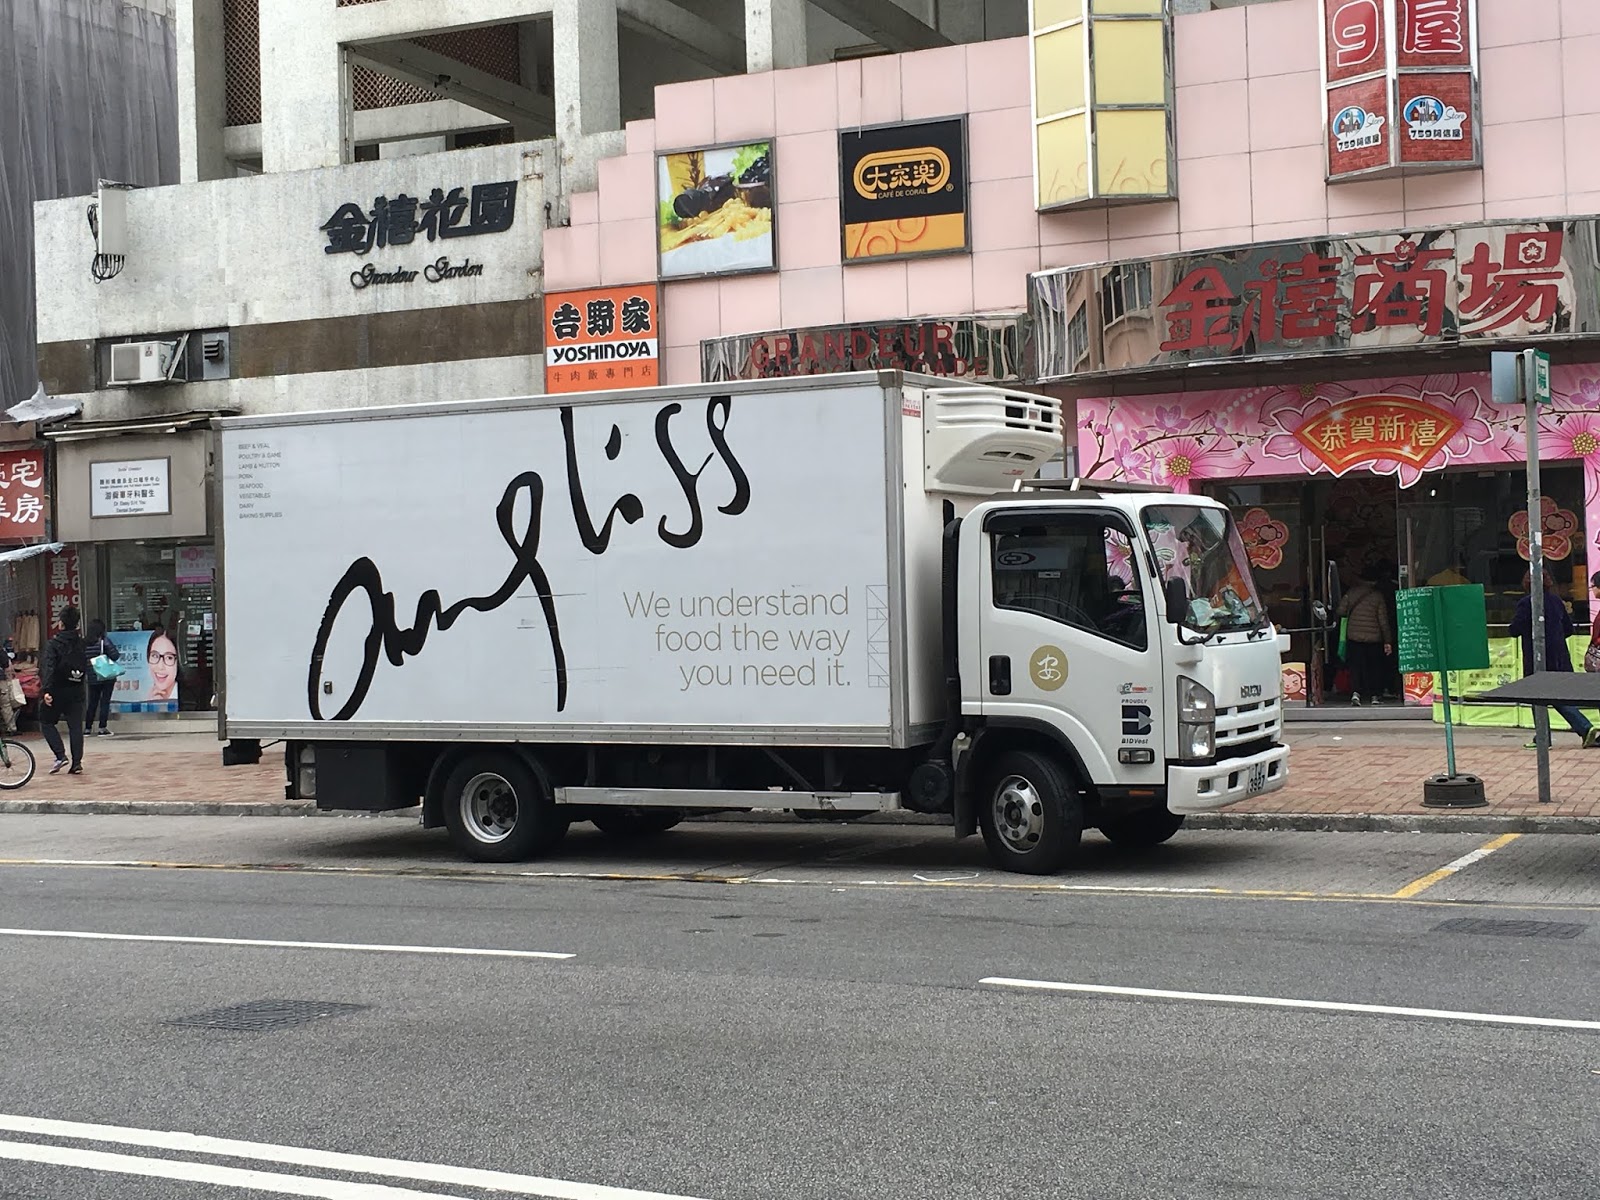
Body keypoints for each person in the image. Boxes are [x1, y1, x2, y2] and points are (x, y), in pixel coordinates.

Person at [1509, 569, 1598, 748]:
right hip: (1559, 657)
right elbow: (1568, 629)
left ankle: (1550, 736)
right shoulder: (1556, 601)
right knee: (1556, 695)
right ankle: (1582, 729)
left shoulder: (1526, 603)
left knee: (1537, 696)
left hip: (1537, 658)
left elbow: (1515, 629)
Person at [39, 605, 89, 775]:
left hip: (57, 690)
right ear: (77, 624)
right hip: (77, 689)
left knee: (46, 722)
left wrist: (46, 691)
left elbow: (49, 668)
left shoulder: (53, 644)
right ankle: (77, 764)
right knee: (75, 727)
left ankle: (60, 755)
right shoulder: (82, 643)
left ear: (61, 623)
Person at [1337, 565, 1393, 706]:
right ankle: (1375, 695)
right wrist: (1388, 640)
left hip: (1354, 636)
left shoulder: (1351, 593)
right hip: (1374, 638)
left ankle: (1356, 693)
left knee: (1356, 667)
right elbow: (1383, 621)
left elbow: (1340, 611)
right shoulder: (1377, 596)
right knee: (1374, 667)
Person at [84, 618, 117, 736]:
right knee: (105, 702)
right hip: (106, 675)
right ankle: (102, 728)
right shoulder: (104, 641)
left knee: (92, 702)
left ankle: (87, 728)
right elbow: (115, 655)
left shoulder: (84, 643)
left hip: (92, 676)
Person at [146, 628, 179, 702]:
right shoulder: (148, 697)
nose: (160, 666)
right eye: (155, 656)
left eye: (169, 658)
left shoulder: (189, 699)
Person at [0, 635, 15, 734]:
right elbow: (5, 664)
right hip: (0, 680)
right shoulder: (1, 651)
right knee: (5, 704)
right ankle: (11, 728)